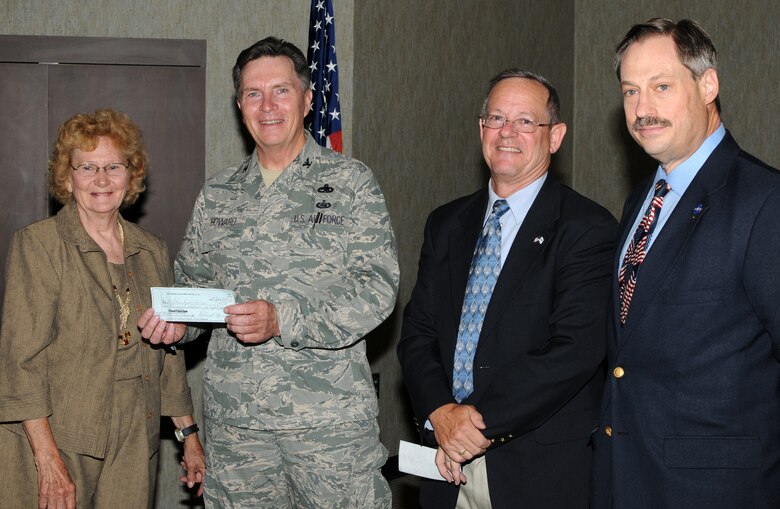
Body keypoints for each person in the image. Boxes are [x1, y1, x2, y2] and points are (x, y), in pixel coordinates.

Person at [138, 36, 399, 508]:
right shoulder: (218, 193)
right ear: (240, 106)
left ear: (307, 99)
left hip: (328, 428)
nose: (268, 106)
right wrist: (179, 324)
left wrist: (282, 320)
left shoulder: (350, 183)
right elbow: (195, 287)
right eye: (253, 94)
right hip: (237, 430)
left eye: (281, 90)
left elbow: (376, 290)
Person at [398, 69, 617, 509]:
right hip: (445, 467)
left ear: (555, 137)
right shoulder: (446, 223)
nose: (507, 132)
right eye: (496, 118)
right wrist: (440, 413)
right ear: (481, 129)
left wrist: (471, 427)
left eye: (525, 121)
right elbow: (418, 333)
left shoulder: (587, 229)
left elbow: (573, 351)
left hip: (536, 471)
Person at [590, 18, 780, 509]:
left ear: (708, 85)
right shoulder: (640, 200)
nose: (642, 109)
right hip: (622, 479)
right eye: (630, 91)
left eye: (661, 86)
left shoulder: (765, 201)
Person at [0, 109, 205, 509]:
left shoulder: (152, 250)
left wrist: (189, 436)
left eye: (113, 166)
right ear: (68, 177)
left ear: (131, 175)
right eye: (87, 167)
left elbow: (168, 354)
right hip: (58, 433)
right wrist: (47, 459)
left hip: (135, 433)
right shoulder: (40, 245)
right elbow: (20, 363)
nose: (101, 179)